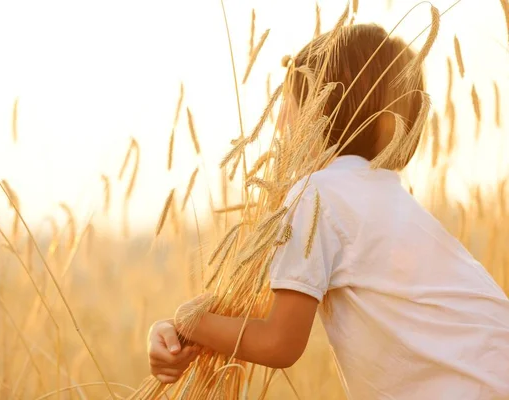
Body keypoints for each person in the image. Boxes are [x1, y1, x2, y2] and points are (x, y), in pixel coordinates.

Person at [147, 24, 509, 399]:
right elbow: (262, 307)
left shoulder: (315, 195)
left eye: (288, 101)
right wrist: (186, 325)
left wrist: (189, 320)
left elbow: (279, 342)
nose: (278, 122)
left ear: (320, 110)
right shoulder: (382, 191)